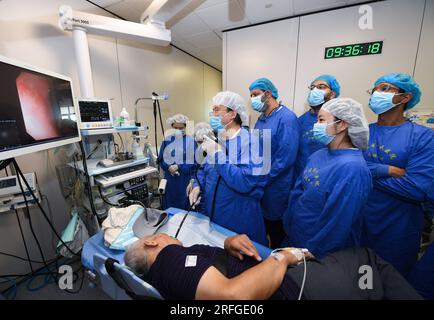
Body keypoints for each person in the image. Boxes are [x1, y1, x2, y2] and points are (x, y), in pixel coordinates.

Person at [124, 233, 422, 300]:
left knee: (371, 282)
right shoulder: (171, 259)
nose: (170, 236)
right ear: (152, 243)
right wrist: (285, 256)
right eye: (161, 234)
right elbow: (233, 297)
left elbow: (206, 274)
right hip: (291, 288)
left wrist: (226, 245)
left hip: (284, 283)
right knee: (366, 260)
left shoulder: (173, 267)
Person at [362, 73, 434, 277]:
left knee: (392, 285)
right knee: (361, 282)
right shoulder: (363, 132)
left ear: (405, 98)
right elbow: (349, 170)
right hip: (361, 224)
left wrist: (367, 171)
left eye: (385, 89)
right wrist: (388, 170)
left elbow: (417, 189)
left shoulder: (423, 137)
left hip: (398, 229)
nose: (377, 93)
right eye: (375, 89)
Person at [282, 98, 372, 258]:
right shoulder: (319, 154)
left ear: (342, 125)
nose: (316, 125)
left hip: (319, 250)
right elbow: (299, 191)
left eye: (321, 120)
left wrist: (310, 252)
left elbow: (338, 224)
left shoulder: (352, 168)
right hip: (297, 235)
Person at [187, 91, 268, 245]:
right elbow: (204, 170)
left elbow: (244, 182)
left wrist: (218, 154)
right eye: (213, 110)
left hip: (238, 220)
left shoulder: (250, 142)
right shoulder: (218, 140)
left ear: (232, 114)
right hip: (214, 216)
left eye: (217, 109)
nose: (213, 114)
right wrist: (197, 186)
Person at [249, 78, 301, 248]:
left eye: (255, 94)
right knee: (261, 227)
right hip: (260, 183)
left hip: (277, 185)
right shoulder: (261, 119)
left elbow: (285, 157)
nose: (252, 99)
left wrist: (265, 177)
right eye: (251, 95)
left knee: (277, 231)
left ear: (268, 93)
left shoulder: (286, 118)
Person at [296, 75, 341, 175]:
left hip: (327, 175)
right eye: (312, 88)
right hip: (301, 175)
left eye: (321, 87)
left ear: (332, 94)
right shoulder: (301, 121)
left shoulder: (339, 120)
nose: (314, 90)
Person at [157, 114, 197, 210]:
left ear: (185, 127)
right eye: (175, 128)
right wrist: (168, 167)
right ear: (172, 127)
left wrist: (179, 166)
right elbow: (161, 159)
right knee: (170, 206)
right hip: (170, 181)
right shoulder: (167, 141)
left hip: (184, 180)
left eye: (181, 128)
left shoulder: (191, 141)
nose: (178, 130)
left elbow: (195, 163)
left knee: (184, 205)